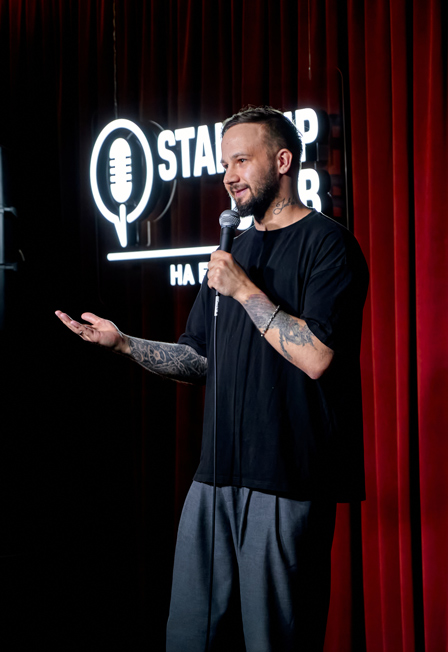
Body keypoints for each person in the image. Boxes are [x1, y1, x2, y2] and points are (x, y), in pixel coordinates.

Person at [56, 106, 369, 652]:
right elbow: (199, 359)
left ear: (283, 161)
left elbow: (318, 355)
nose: (228, 176)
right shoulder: (232, 252)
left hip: (286, 481)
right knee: (187, 636)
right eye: (225, 164)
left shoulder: (328, 245)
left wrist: (244, 290)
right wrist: (124, 344)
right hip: (214, 479)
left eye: (241, 161)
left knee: (276, 639)